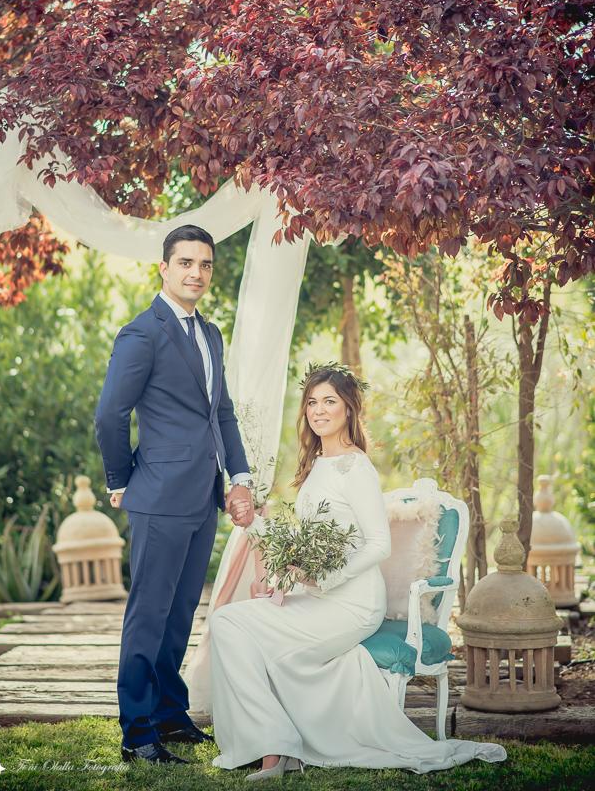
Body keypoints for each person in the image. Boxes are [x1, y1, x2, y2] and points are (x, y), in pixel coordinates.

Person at [210, 365, 507, 779]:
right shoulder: (317, 463)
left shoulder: (356, 468)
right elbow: (308, 541)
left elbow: (379, 544)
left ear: (349, 408)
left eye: (329, 401)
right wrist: (253, 524)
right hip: (318, 597)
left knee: (263, 641)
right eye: (312, 402)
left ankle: (275, 753)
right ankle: (274, 740)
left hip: (353, 604)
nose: (318, 410)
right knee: (227, 622)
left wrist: (327, 579)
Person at [95, 224, 255, 765]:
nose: (196, 273)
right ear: (164, 267)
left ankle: (169, 711)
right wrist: (120, 480)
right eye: (186, 262)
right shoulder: (142, 334)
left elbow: (222, 414)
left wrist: (239, 477)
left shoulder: (210, 334)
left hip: (202, 498)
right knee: (149, 613)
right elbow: (110, 415)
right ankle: (138, 730)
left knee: (181, 611)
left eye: (205, 265)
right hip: (157, 496)